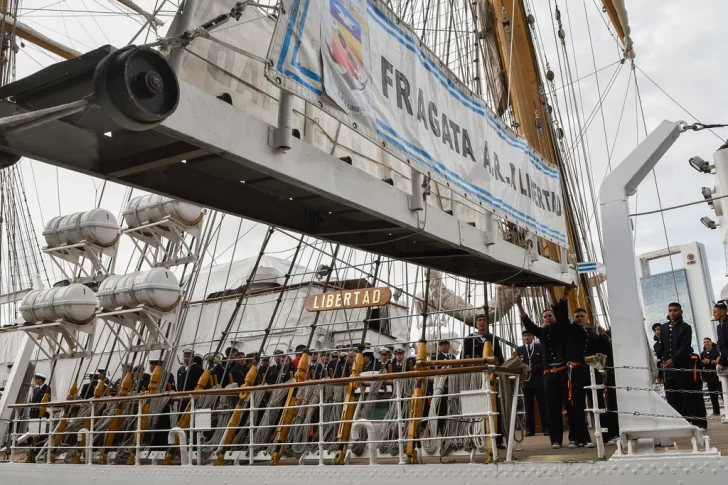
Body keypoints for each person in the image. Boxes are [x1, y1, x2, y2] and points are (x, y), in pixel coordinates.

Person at [517, 287, 569, 449]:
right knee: (551, 408)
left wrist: (552, 293)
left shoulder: (561, 329)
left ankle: (576, 438)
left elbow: (560, 312)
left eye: (549, 315)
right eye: (545, 316)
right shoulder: (541, 333)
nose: (547, 317)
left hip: (563, 374)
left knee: (570, 406)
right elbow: (528, 324)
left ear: (554, 317)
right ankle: (555, 440)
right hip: (548, 377)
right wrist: (519, 305)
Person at [660, 302, 707, 429]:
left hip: (682, 365)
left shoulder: (686, 327)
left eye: (675, 310)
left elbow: (685, 346)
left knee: (689, 395)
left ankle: (698, 423)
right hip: (668, 368)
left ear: (681, 312)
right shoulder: (664, 327)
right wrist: (663, 361)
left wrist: (673, 360)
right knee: (672, 395)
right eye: (670, 310)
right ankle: (679, 422)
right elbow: (663, 346)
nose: (672, 313)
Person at [562, 307, 603, 448]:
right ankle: (582, 438)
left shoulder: (593, 335)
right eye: (577, 316)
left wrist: (603, 336)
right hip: (576, 371)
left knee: (598, 403)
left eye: (582, 316)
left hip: (591, 371)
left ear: (587, 318)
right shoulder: (570, 330)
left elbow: (604, 350)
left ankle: (606, 434)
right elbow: (561, 314)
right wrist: (564, 298)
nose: (579, 318)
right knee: (577, 405)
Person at [516, 330, 548, 437]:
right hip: (526, 382)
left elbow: (544, 363)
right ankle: (530, 430)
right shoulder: (519, 350)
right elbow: (517, 363)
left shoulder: (540, 347)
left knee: (542, 405)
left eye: (529, 335)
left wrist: (532, 368)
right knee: (528, 406)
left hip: (539, 380)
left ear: (533, 337)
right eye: (524, 335)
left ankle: (546, 428)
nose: (526, 337)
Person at [701, 337, 721, 415]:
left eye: (707, 342)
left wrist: (710, 362)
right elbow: (701, 364)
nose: (706, 344)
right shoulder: (703, 353)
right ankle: (716, 411)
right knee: (712, 394)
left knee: (722, 392)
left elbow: (717, 361)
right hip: (708, 376)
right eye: (704, 342)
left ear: (711, 342)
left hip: (716, 375)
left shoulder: (716, 351)